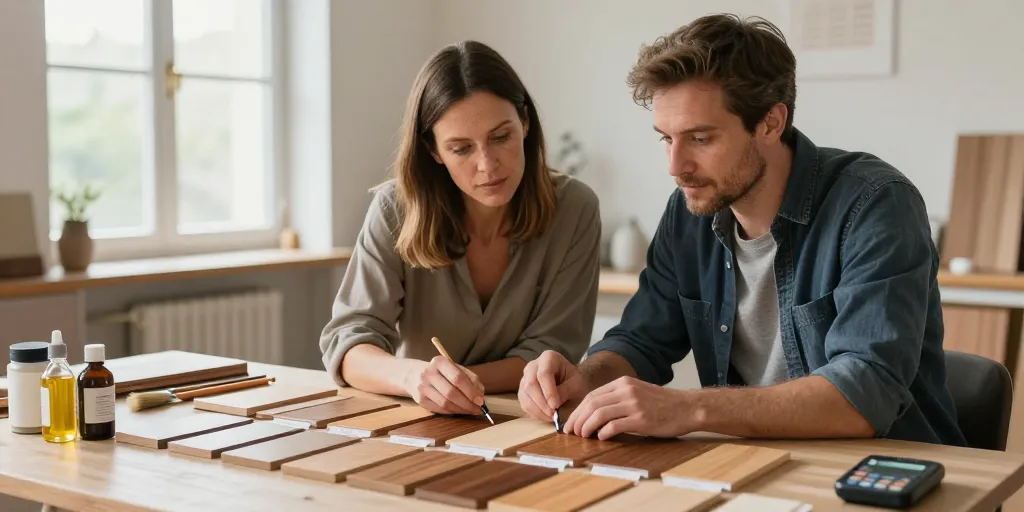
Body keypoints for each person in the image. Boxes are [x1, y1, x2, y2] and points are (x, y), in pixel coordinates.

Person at [518, 14, 967, 446]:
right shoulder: (688, 212)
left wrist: (689, 409)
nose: (675, 167)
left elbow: (865, 392)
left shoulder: (874, 204)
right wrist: (586, 378)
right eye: (665, 138)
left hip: (889, 471)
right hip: (758, 467)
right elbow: (641, 340)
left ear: (771, 122)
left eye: (700, 138)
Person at [320, 40, 601, 417]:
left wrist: (461, 380)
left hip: (527, 422)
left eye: (501, 137)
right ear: (434, 151)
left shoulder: (576, 208)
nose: (487, 165)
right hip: (418, 419)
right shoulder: (394, 209)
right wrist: (412, 378)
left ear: (526, 123)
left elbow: (555, 348)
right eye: (461, 148)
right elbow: (348, 343)